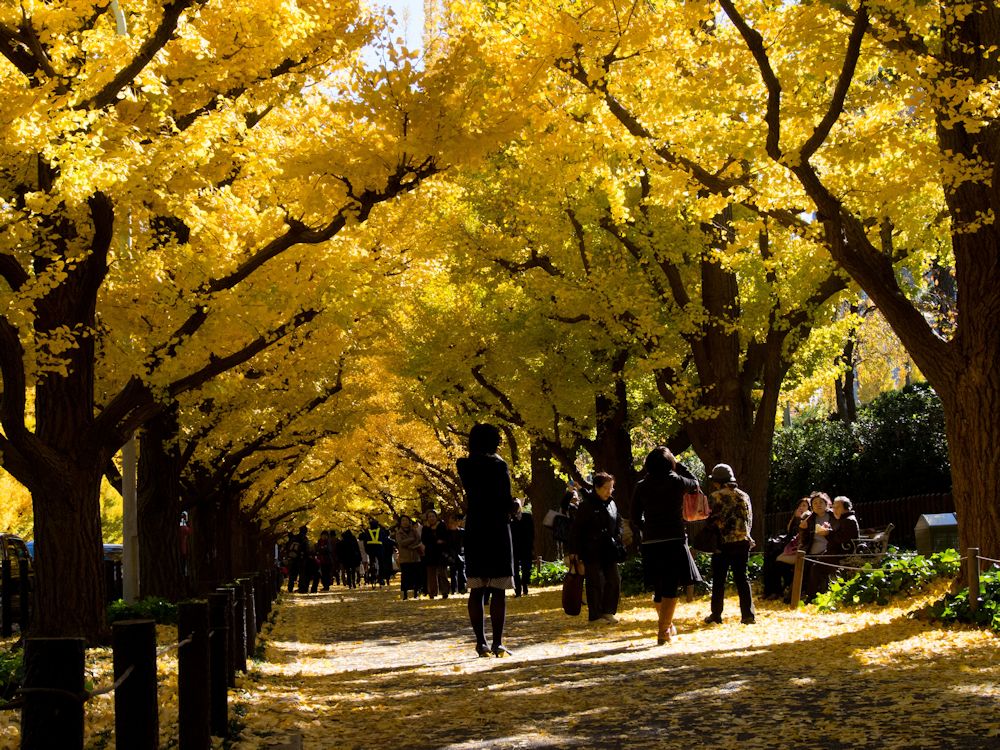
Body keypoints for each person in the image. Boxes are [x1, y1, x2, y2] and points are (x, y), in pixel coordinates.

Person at [456, 423, 518, 657]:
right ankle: (498, 642)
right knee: (498, 589)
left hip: (475, 529)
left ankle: (480, 642)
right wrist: (516, 506)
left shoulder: (464, 465)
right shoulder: (498, 465)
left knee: (477, 588)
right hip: (497, 529)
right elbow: (504, 501)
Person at [631, 447, 702, 644]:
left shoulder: (641, 486)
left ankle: (667, 626)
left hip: (651, 541)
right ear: (669, 463)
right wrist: (679, 465)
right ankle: (663, 631)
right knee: (671, 586)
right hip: (674, 538)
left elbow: (635, 518)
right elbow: (695, 483)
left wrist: (648, 528)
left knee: (659, 587)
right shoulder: (676, 481)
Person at [703, 464, 756, 625]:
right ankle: (748, 615)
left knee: (719, 579)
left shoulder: (715, 496)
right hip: (742, 541)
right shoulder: (744, 496)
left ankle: (716, 615)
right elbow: (749, 519)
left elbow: (711, 521)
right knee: (742, 578)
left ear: (718, 481)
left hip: (723, 543)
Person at [569, 473, 624, 623]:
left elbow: (618, 522)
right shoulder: (586, 505)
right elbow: (577, 529)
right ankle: (595, 614)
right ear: (596, 488)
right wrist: (574, 551)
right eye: (606, 488)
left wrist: (618, 536)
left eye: (611, 488)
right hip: (591, 549)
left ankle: (608, 611)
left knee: (614, 579)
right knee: (595, 582)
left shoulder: (612, 503)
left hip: (609, 548)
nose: (609, 491)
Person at [806, 495, 861, 598]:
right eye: (833, 507)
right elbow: (839, 537)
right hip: (837, 552)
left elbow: (839, 539)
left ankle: (812, 597)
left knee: (816, 568)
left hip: (841, 554)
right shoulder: (844, 519)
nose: (834, 509)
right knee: (816, 565)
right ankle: (819, 595)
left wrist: (827, 533)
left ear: (846, 508)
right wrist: (828, 531)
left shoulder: (848, 520)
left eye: (837, 507)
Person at [762, 497, 810, 600]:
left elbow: (801, 536)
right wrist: (795, 519)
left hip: (798, 549)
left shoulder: (809, 518)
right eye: (800, 505)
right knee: (769, 558)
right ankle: (769, 591)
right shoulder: (795, 518)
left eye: (804, 505)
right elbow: (789, 534)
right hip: (789, 547)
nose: (801, 508)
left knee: (775, 561)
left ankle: (776, 591)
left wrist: (799, 519)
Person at [798, 491, 835, 602]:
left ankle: (812, 596)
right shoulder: (809, 519)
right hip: (812, 550)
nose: (818, 505)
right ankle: (800, 595)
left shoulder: (833, 516)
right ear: (812, 507)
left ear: (826, 503)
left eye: (821, 502)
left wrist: (829, 532)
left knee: (816, 568)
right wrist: (802, 529)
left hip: (829, 549)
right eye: (815, 503)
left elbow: (839, 534)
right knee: (804, 567)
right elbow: (804, 540)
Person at [421, 509, 451, 598]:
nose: (431, 518)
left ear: (436, 517)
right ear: (427, 518)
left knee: (442, 573)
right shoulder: (425, 528)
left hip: (441, 553)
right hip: (430, 553)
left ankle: (445, 592)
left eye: (433, 516)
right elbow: (425, 540)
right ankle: (432, 592)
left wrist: (437, 541)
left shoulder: (442, 525)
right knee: (431, 575)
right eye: (429, 517)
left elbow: (444, 538)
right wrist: (435, 540)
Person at [511, 499, 535, 597]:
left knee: (526, 568)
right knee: (515, 570)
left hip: (526, 546)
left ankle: (525, 584)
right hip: (514, 548)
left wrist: (531, 544)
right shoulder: (510, 519)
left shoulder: (527, 516)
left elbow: (532, 532)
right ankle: (517, 590)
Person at [395, 516, 423, 599]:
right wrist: (411, 539)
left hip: (415, 556)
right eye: (403, 520)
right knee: (405, 576)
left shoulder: (414, 531)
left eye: (406, 520)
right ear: (400, 523)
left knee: (415, 575)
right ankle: (405, 594)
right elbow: (401, 543)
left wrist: (412, 545)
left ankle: (416, 593)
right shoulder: (399, 533)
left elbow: (418, 540)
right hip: (404, 558)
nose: (405, 522)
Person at [445, 512, 467, 595]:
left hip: (461, 555)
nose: (451, 524)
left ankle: (462, 588)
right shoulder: (447, 533)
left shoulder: (462, 532)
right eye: (450, 522)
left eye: (452, 522)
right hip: (451, 555)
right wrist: (447, 555)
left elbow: (465, 543)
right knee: (453, 572)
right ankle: (454, 589)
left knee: (461, 572)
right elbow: (445, 545)